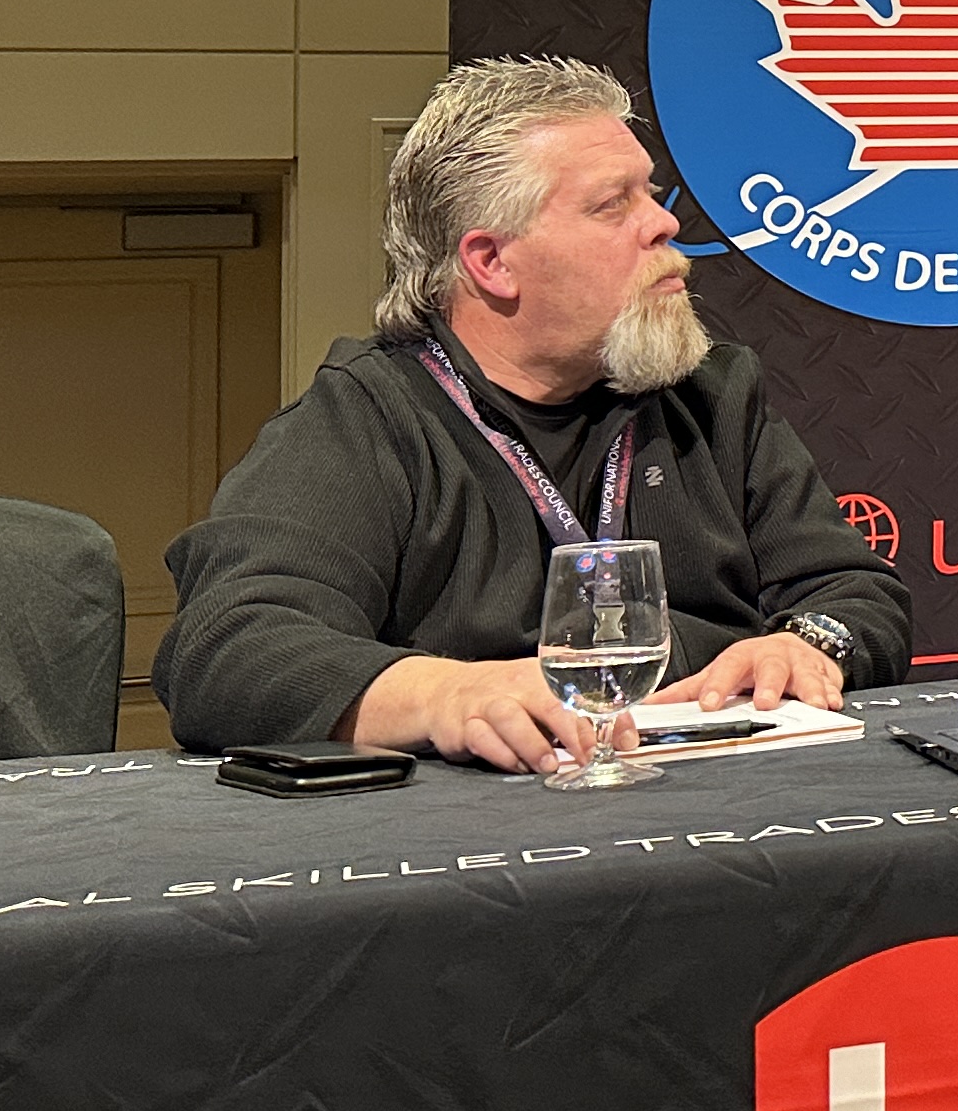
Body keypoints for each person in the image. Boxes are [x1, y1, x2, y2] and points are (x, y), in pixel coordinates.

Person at [157, 56, 909, 768]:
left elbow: (858, 594)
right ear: (492, 263)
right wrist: (446, 695)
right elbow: (227, 648)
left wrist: (808, 644)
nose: (664, 225)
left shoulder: (711, 393)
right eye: (613, 204)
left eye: (649, 193)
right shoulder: (370, 419)